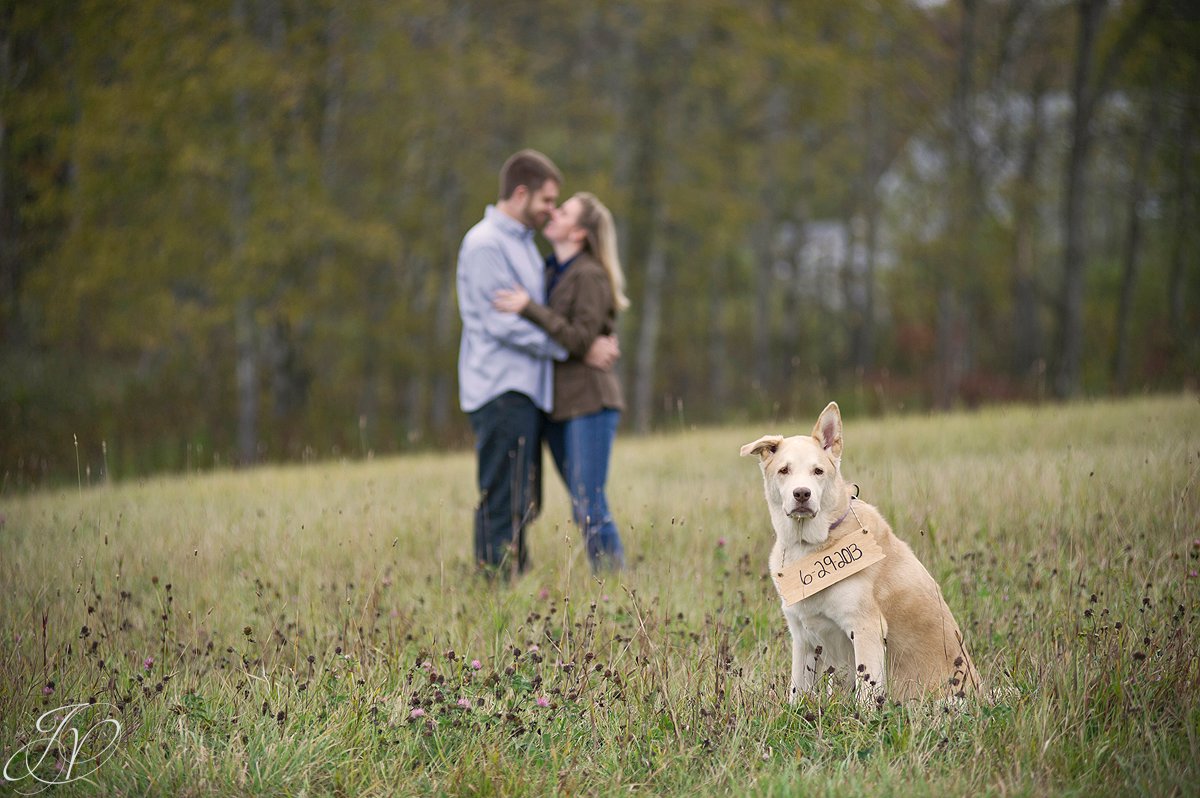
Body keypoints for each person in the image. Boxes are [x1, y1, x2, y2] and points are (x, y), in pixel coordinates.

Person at [457, 150, 618, 577]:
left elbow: (574, 307)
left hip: (530, 391)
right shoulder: (486, 244)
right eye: (548, 201)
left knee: (525, 496)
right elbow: (499, 325)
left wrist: (598, 328)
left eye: (558, 206)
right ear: (522, 193)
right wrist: (574, 348)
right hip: (500, 386)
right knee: (503, 492)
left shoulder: (526, 246)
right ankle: (494, 579)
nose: (550, 211)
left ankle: (515, 571)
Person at [493, 192, 630, 571]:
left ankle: (613, 580)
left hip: (590, 403)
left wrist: (527, 308)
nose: (553, 212)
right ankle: (608, 574)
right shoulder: (554, 270)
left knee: (589, 501)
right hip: (563, 406)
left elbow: (580, 338)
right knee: (581, 501)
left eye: (564, 210)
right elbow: (577, 341)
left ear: (580, 232)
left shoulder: (588, 274)